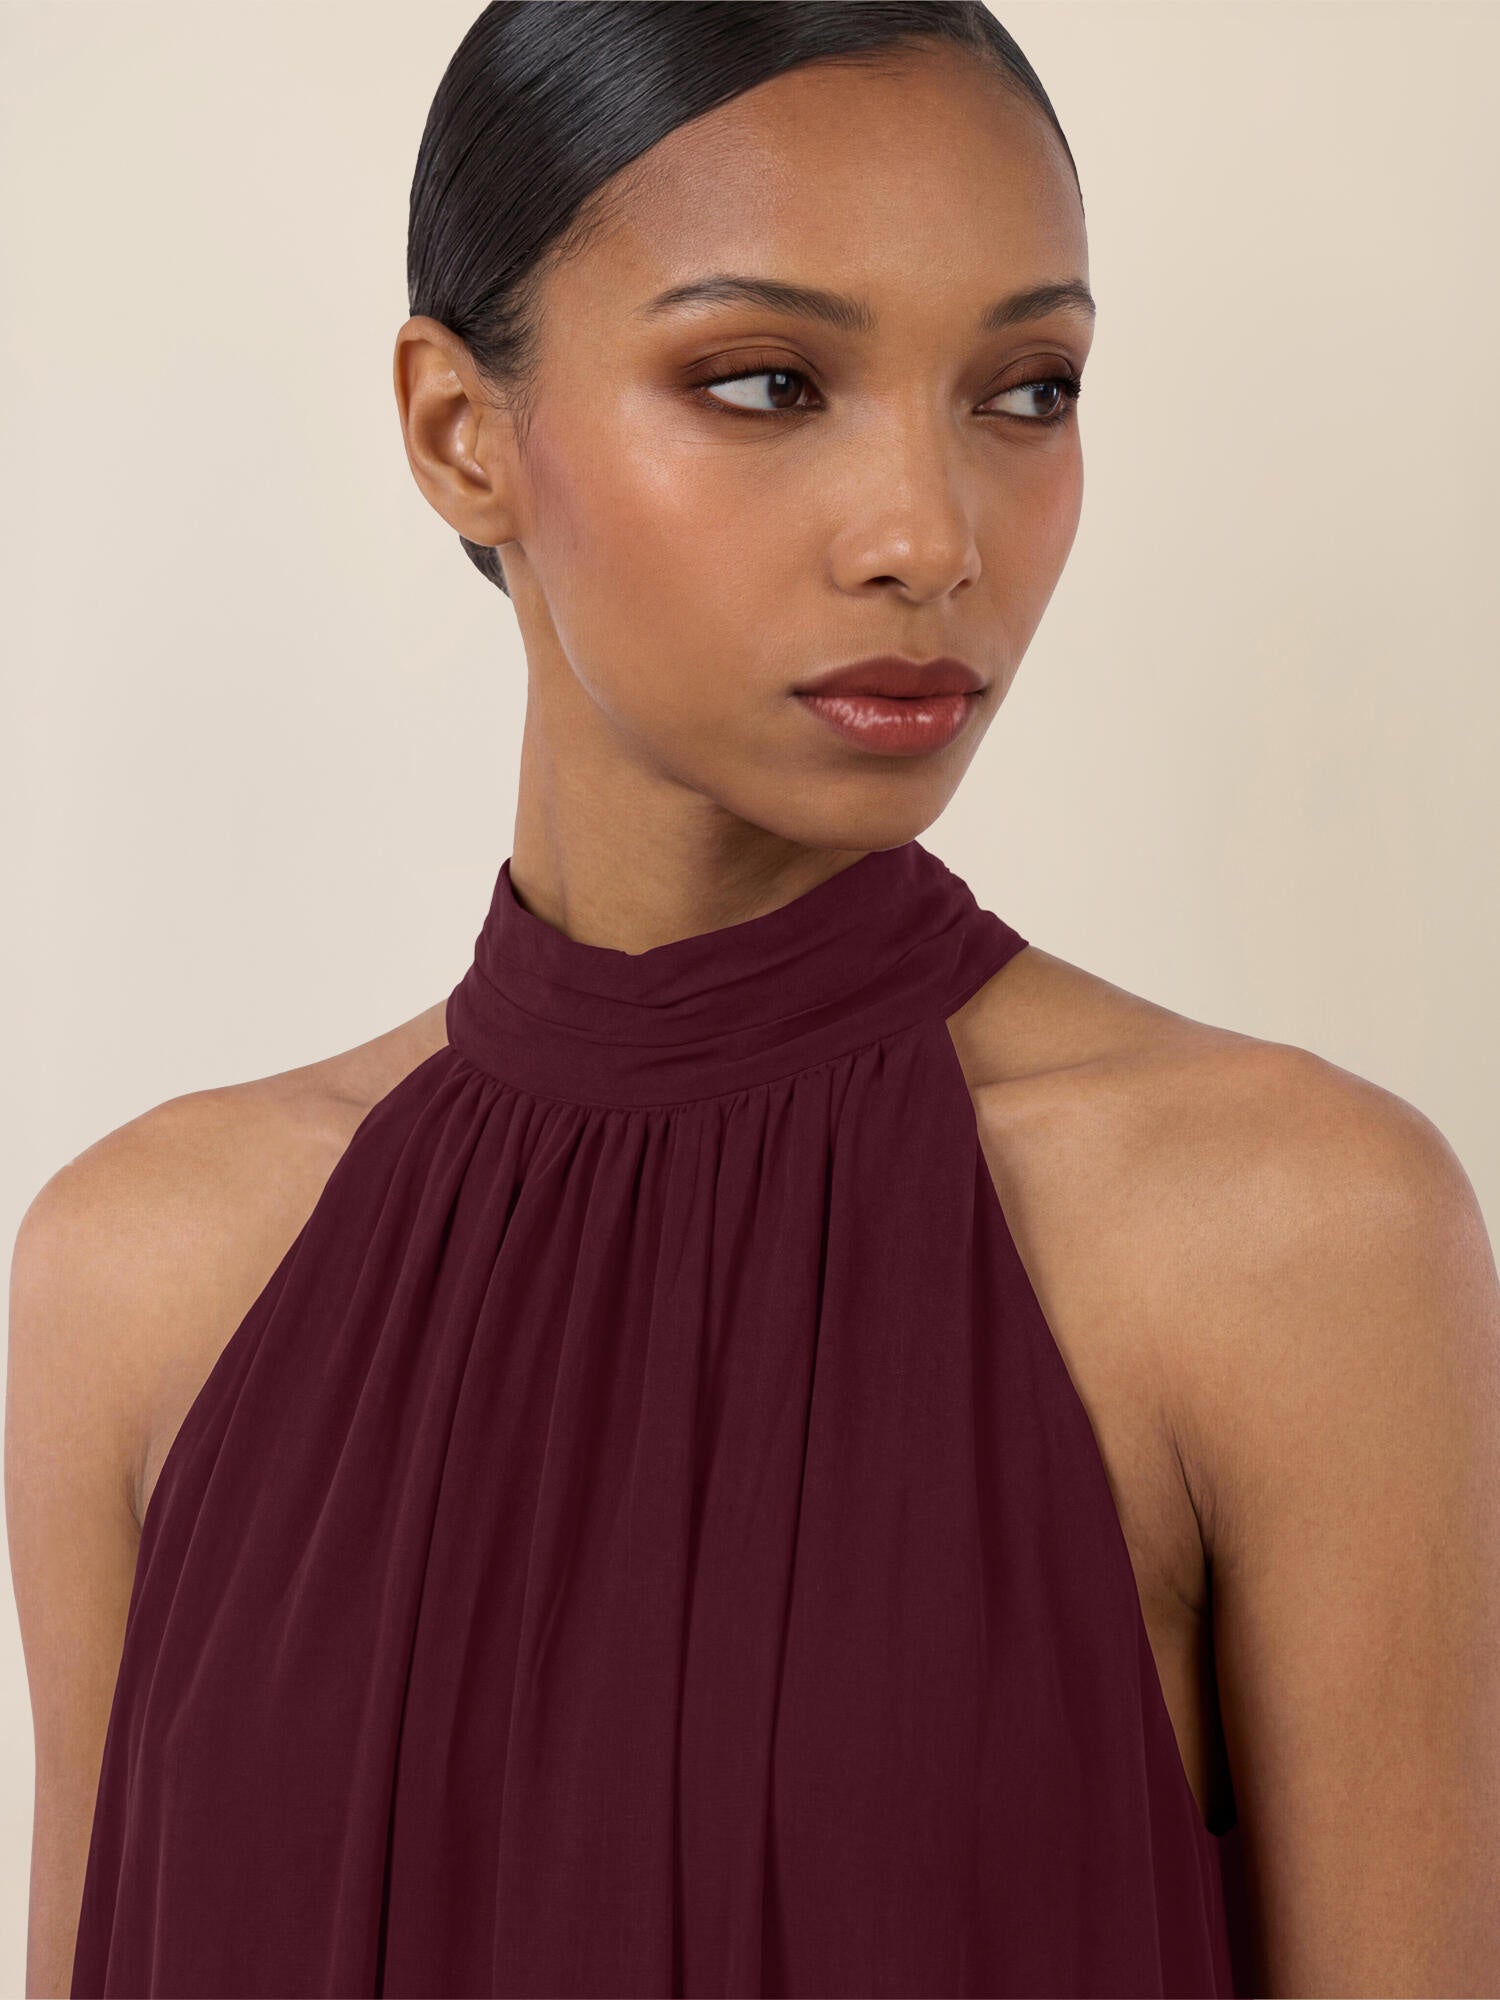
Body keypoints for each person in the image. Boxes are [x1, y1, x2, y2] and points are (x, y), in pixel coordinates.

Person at [9, 3, 1498, 1995]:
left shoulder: (1292, 1241)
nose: (929, 539)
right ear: (459, 432)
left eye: (1028, 391)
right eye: (768, 380)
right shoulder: (139, 1284)